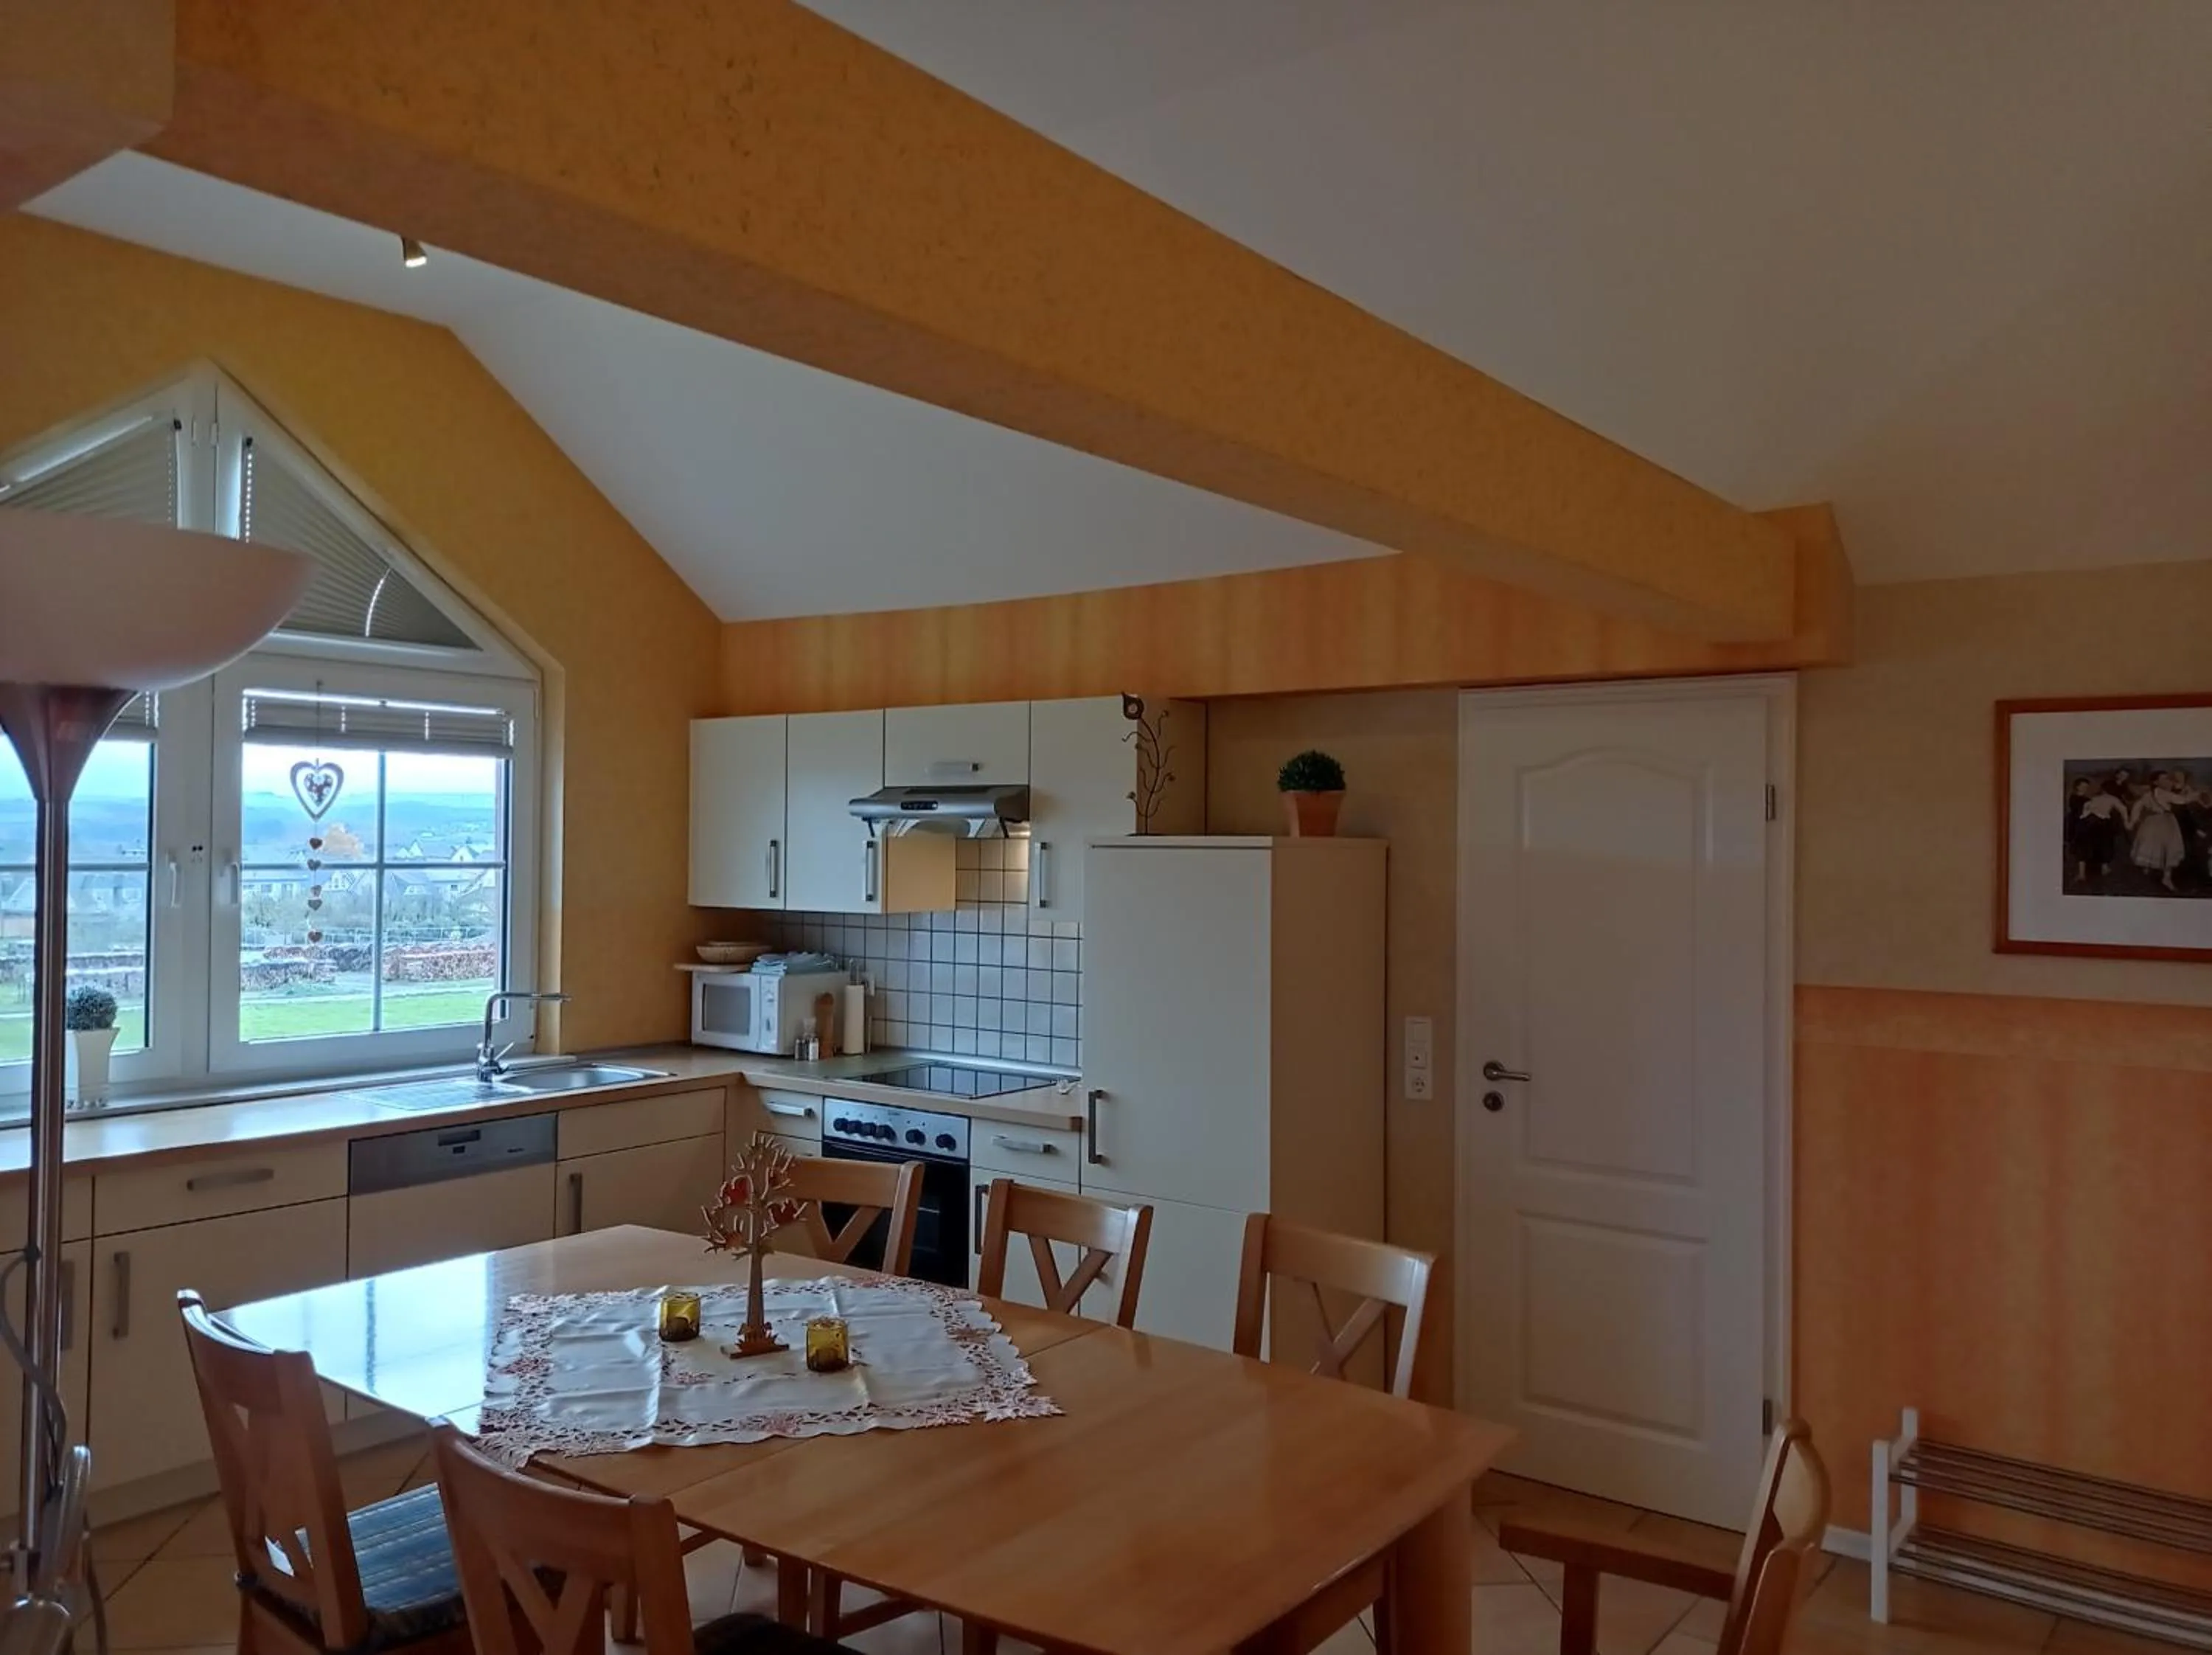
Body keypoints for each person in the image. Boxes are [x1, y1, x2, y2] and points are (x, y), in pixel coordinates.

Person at [2129, 769, 2190, 894]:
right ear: (2156, 782)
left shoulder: (2148, 794)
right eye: (2163, 779)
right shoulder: (2163, 793)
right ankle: (2166, 878)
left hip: (2151, 823)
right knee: (2169, 848)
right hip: (2165, 822)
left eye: (2167, 779)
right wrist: (2191, 793)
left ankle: (2149, 871)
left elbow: (2137, 807)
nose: (2167, 781)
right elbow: (2182, 800)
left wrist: (2132, 822)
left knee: (2153, 847)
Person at [2070, 775, 2129, 889]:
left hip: (2086, 822)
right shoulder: (2113, 798)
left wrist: (2085, 817)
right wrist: (2127, 822)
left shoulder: (2094, 798)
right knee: (2104, 844)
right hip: (2100, 822)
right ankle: (2104, 868)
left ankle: (2082, 874)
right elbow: (2123, 809)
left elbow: (2086, 809)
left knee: (2084, 846)